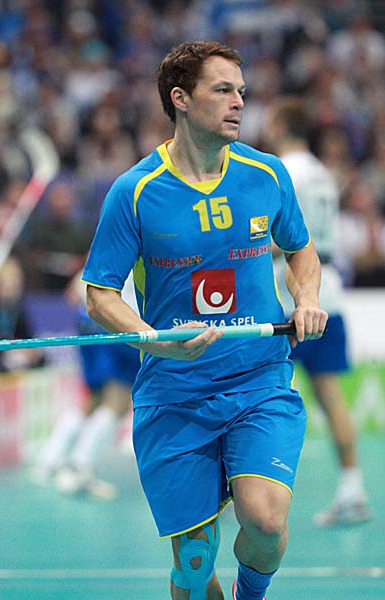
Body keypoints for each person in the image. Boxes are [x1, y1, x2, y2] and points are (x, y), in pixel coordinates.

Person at [82, 41, 328, 600]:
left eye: (241, 91)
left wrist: (307, 298)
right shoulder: (135, 191)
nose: (239, 101)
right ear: (181, 99)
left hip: (257, 381)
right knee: (193, 565)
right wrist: (155, 342)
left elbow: (301, 252)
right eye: (222, 90)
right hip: (174, 393)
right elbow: (99, 295)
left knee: (266, 524)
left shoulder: (266, 174)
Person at [263, 96, 371, 527]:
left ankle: (247, 495)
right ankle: (353, 489)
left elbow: (283, 238)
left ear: (280, 126)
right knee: (331, 399)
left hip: (291, 295)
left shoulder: (281, 171)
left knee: (260, 396)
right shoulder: (324, 172)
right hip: (331, 293)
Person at [30, 271, 139, 500]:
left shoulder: (105, 254)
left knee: (94, 399)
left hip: (89, 319)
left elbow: (72, 292)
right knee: (117, 402)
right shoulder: (142, 251)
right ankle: (79, 468)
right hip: (118, 324)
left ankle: (49, 460)